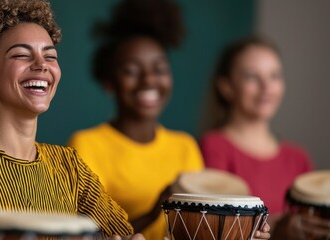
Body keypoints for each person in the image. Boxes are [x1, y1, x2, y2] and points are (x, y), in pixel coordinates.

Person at [0, 0, 144, 239]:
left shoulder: (70, 166)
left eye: (50, 56)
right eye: (21, 55)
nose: (41, 65)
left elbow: (124, 233)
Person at [67, 1, 205, 239]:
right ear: (108, 82)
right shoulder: (86, 145)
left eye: (159, 69)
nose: (149, 80)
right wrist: (154, 212)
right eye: (132, 71)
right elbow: (87, 234)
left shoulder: (185, 147)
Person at [200, 36, 328, 239]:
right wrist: (278, 228)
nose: (266, 86)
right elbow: (216, 227)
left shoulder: (299, 157)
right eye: (252, 77)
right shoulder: (213, 147)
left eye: (274, 76)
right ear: (226, 87)